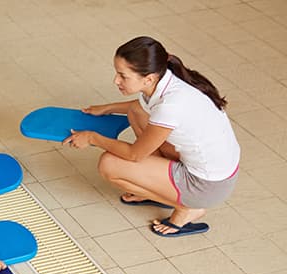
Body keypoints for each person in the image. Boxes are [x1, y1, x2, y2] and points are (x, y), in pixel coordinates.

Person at [63, 36, 240, 238]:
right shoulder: (167, 81)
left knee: (109, 164)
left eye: (123, 76)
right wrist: (107, 108)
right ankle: (158, 185)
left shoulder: (171, 106)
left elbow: (134, 155)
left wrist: (92, 138)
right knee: (136, 113)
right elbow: (138, 107)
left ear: (148, 78)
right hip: (217, 169)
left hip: (206, 186)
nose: (116, 80)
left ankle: (186, 209)